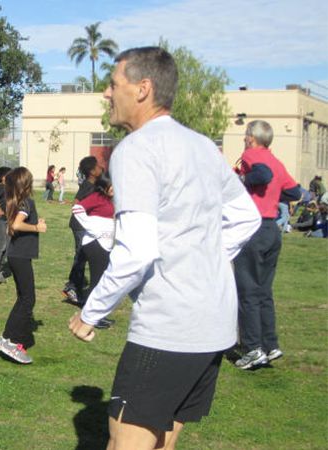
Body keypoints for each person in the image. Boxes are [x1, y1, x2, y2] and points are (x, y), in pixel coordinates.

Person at [68, 47, 260, 449]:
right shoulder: (204, 146)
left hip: (169, 327)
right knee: (164, 439)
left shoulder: (137, 149)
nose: (106, 93)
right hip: (214, 325)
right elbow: (247, 217)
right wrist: (196, 257)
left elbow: (135, 251)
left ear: (143, 89)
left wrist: (92, 310)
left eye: (113, 84)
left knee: (127, 441)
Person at [234, 120, 301, 370]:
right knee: (263, 291)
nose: (244, 139)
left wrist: (243, 181)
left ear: (252, 138)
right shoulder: (277, 160)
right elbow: (295, 193)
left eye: (245, 135)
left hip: (253, 227)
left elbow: (263, 175)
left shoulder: (252, 155)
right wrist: (273, 194)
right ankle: (270, 344)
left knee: (247, 290)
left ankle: (252, 349)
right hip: (272, 229)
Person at [0, 167, 47, 365]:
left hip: (17, 255)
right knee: (28, 299)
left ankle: (6, 338)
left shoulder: (15, 201)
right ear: (26, 183)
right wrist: (36, 227)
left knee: (24, 297)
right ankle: (13, 342)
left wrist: (35, 224)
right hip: (20, 256)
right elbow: (15, 225)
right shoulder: (26, 202)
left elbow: (11, 225)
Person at [71, 174, 115, 329]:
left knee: (102, 279)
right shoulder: (97, 196)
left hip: (105, 244)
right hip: (95, 244)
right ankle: (91, 317)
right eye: (112, 186)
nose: (114, 189)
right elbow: (77, 208)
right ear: (104, 186)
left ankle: (98, 314)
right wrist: (91, 226)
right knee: (97, 280)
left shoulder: (110, 199)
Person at [63, 156, 103, 303]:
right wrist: (85, 216)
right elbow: (76, 203)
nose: (101, 168)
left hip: (85, 226)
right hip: (79, 226)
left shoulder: (94, 184)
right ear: (92, 171)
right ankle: (72, 287)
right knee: (81, 255)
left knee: (84, 255)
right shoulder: (88, 185)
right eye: (98, 167)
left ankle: (74, 287)